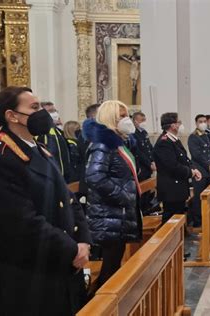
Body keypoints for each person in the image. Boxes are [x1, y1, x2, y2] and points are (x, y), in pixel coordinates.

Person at [0, 86, 92, 316]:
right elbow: (23, 222)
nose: (42, 113)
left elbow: (68, 200)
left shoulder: (39, 149)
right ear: (12, 116)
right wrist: (72, 248)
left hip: (61, 264)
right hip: (33, 274)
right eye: (34, 108)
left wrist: (84, 240)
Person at [83, 100, 142, 288]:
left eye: (127, 115)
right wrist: (123, 196)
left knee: (114, 264)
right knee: (110, 268)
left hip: (118, 215)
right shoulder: (103, 144)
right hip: (109, 214)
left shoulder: (119, 143)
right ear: (111, 118)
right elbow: (95, 176)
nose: (127, 119)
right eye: (123, 116)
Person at [153, 112, 202, 224]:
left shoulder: (173, 139)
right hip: (171, 189)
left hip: (178, 187)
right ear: (172, 125)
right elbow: (172, 167)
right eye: (179, 122)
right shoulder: (164, 142)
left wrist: (193, 169)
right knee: (170, 220)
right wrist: (190, 172)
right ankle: (169, 242)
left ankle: (180, 238)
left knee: (178, 217)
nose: (181, 125)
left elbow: (185, 159)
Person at [188, 114, 210, 227]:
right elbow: (196, 155)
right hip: (199, 171)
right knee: (198, 197)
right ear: (196, 123)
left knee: (205, 197)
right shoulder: (193, 137)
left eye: (204, 121)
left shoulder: (205, 135)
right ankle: (198, 221)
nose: (203, 123)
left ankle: (205, 217)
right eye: (200, 121)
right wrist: (208, 164)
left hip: (207, 171)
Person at [36, 101, 71, 182]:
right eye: (50, 111)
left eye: (55, 111)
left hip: (64, 178)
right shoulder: (39, 133)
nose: (54, 114)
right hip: (49, 179)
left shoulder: (59, 132)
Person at [131, 112, 155, 181]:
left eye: (145, 120)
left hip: (148, 166)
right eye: (142, 120)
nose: (144, 122)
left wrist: (153, 161)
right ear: (135, 121)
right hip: (141, 167)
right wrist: (149, 164)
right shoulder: (133, 134)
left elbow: (149, 147)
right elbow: (138, 152)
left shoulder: (144, 132)